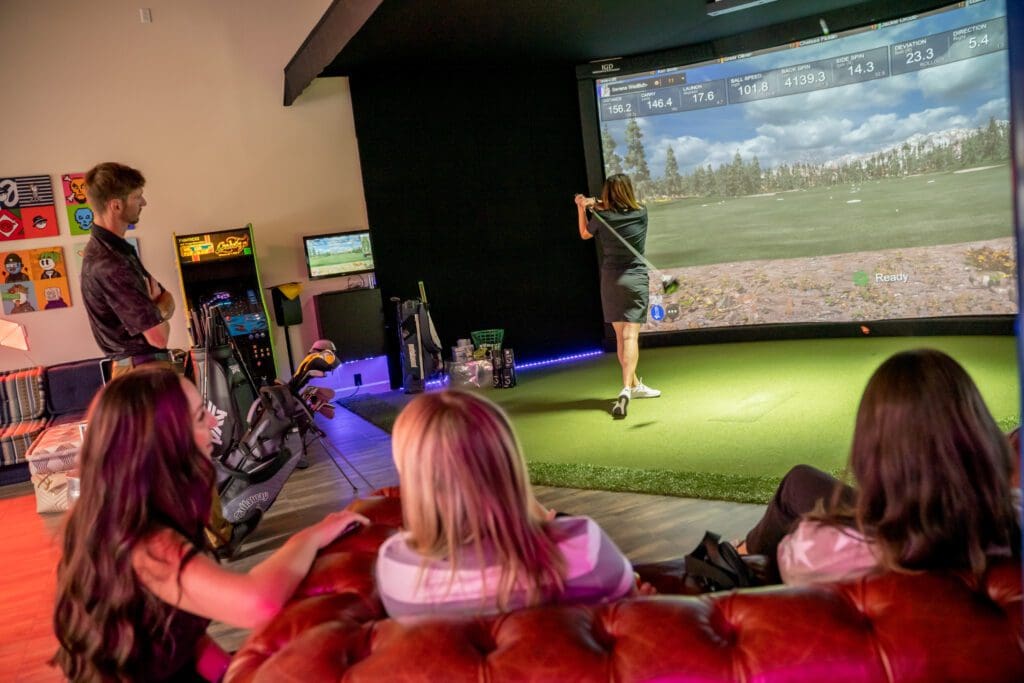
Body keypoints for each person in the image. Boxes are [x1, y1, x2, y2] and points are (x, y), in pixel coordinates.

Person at [53, 365, 368, 681]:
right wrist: (310, 537)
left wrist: (236, 672)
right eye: (199, 417)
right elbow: (258, 603)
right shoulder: (145, 543)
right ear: (162, 440)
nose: (214, 422)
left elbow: (184, 635)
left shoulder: (122, 512)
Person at [739, 348, 1020, 585]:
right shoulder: (1014, 518)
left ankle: (737, 559)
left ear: (872, 452)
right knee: (799, 481)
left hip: (882, 534)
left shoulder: (813, 549)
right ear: (981, 436)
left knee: (796, 486)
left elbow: (787, 571)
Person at [375, 389, 638, 617]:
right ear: (508, 458)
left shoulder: (395, 566)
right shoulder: (586, 548)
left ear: (411, 473)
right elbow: (632, 614)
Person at [575, 173, 659, 419]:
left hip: (611, 280)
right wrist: (593, 203)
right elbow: (609, 206)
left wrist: (583, 208)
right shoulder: (641, 212)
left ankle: (632, 385)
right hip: (634, 279)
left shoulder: (602, 216)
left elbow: (584, 234)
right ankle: (626, 389)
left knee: (621, 338)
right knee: (630, 336)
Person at [80, 162, 175, 379]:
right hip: (140, 371)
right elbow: (159, 337)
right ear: (116, 206)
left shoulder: (118, 250)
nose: (144, 202)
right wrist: (158, 310)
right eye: (136, 197)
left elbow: (167, 298)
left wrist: (156, 310)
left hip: (140, 366)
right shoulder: (110, 263)